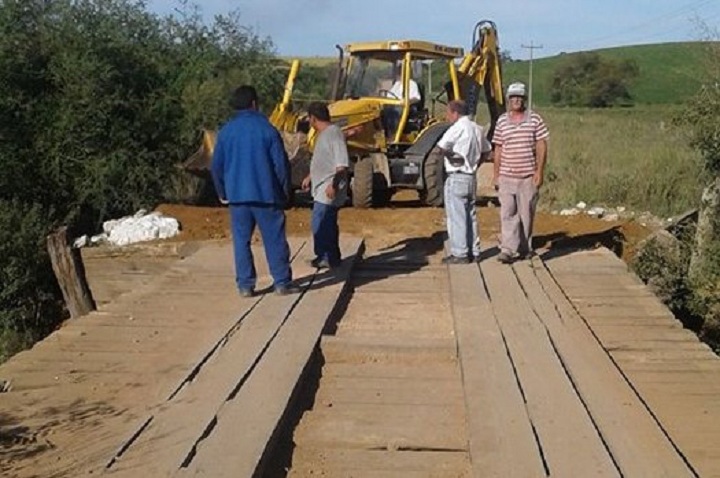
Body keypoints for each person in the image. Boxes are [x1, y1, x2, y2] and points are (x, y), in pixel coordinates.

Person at [211, 85, 300, 297]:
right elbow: (280, 165)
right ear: (254, 103)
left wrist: (222, 191)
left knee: (241, 241)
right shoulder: (268, 130)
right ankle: (281, 282)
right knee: (274, 239)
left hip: (237, 197)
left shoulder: (226, 132)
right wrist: (285, 192)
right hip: (266, 195)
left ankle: (245, 285)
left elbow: (217, 166)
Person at [492, 81, 549, 264]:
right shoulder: (502, 121)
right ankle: (507, 249)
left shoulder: (535, 119)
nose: (516, 100)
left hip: (527, 177)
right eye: (513, 97)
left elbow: (541, 145)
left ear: (524, 100)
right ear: (508, 100)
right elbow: (498, 148)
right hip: (507, 176)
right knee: (507, 213)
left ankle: (525, 248)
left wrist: (539, 171)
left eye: (519, 97)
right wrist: (496, 174)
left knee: (526, 214)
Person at [436, 99, 491, 264]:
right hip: (471, 176)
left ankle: (460, 253)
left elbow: (442, 146)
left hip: (457, 175)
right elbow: (487, 151)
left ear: (455, 113)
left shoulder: (458, 128)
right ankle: (474, 251)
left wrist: (452, 157)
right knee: (471, 215)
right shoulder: (477, 128)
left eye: (448, 113)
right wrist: (476, 163)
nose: (447, 117)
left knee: (456, 216)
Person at [301, 102, 349, 269]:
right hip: (322, 186)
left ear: (313, 118)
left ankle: (326, 256)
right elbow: (325, 161)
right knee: (326, 223)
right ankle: (329, 256)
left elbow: (341, 165)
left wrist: (333, 185)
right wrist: (310, 176)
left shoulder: (334, 134)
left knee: (321, 223)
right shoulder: (325, 134)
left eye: (309, 118)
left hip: (328, 188)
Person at [382, 71, 422, 137]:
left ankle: (394, 134)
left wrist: (407, 101)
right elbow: (389, 95)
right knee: (381, 111)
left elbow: (417, 98)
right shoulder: (397, 84)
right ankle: (384, 132)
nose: (399, 75)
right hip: (394, 105)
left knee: (396, 111)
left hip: (408, 107)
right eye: (399, 73)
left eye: (401, 73)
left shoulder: (412, 84)